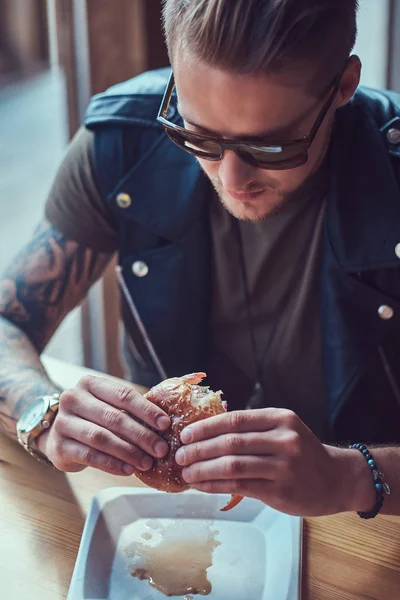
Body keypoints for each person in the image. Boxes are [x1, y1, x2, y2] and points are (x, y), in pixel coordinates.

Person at [1, 0, 400, 519]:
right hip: (174, 529)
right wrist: (41, 411)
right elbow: (7, 321)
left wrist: (353, 476)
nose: (231, 180)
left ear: (344, 85)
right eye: (197, 135)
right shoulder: (123, 143)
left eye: (273, 146)